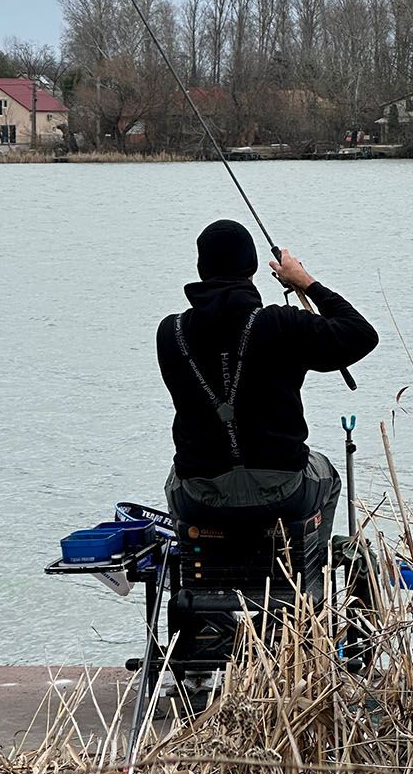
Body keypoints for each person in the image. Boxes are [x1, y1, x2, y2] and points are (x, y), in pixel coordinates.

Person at [158, 218, 378, 554]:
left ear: (201, 269)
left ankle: (200, 578)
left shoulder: (169, 333)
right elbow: (361, 334)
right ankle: (310, 582)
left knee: (175, 480)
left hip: (201, 499)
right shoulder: (280, 325)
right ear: (253, 267)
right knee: (328, 477)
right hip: (284, 492)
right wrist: (306, 282)